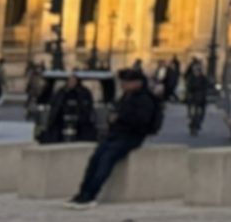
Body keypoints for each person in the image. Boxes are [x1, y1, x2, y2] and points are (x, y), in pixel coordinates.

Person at [65, 65, 163, 206]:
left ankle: (90, 195)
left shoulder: (145, 99)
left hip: (130, 136)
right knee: (95, 159)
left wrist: (119, 119)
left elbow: (142, 121)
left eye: (126, 82)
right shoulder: (126, 96)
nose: (123, 85)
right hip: (116, 134)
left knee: (106, 159)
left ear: (137, 83)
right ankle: (83, 192)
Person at [181, 58, 210, 137]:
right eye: (195, 71)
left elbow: (206, 87)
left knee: (200, 114)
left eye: (198, 71)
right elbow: (188, 88)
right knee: (193, 114)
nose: (196, 72)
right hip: (193, 99)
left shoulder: (203, 78)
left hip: (201, 99)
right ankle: (193, 126)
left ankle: (196, 125)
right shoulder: (191, 78)